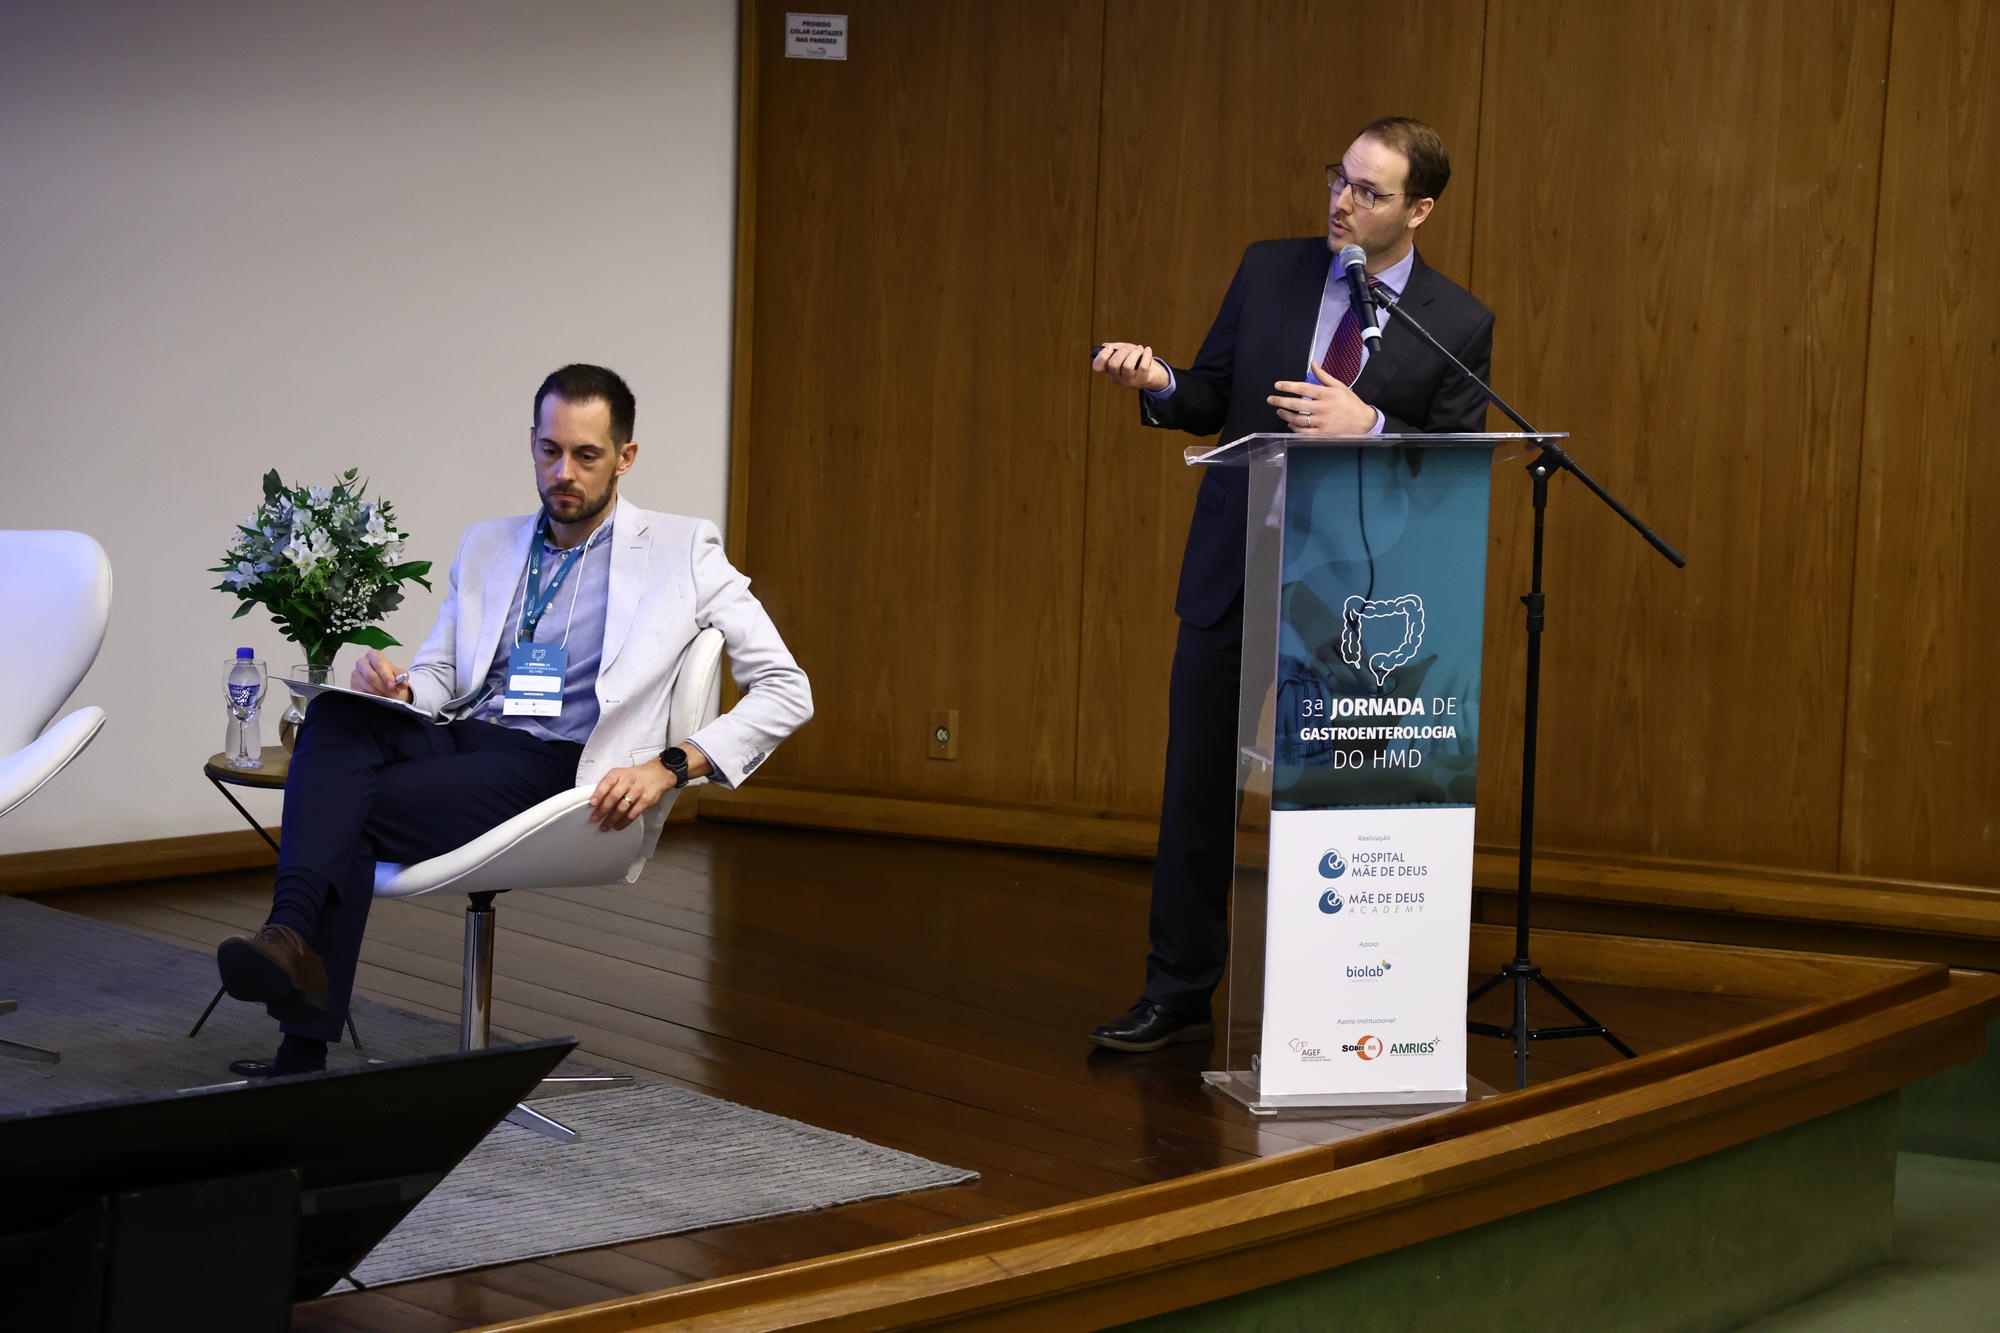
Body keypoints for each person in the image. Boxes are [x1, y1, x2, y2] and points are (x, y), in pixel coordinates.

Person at [214, 363, 813, 1075]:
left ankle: (299, 1039)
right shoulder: (487, 543)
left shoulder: (683, 549)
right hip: (461, 735)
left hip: (557, 765)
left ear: (625, 456)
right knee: (336, 716)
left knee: (350, 805)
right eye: (550, 451)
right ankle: (288, 940)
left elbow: (787, 688)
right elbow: (441, 675)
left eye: (586, 455)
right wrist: (400, 690)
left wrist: (672, 765)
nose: (564, 473)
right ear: (532, 442)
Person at [1087, 117, 1493, 1052]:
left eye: (1370, 192)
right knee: (1199, 786)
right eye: (1339, 179)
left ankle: (1337, 1009)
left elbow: (1453, 466)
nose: (1342, 203)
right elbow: (1211, 393)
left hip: (1361, 604)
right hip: (1240, 567)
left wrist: (1372, 426)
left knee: (1340, 799)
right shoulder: (1271, 269)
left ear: (1420, 210)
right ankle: (1177, 991)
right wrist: (1161, 380)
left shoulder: (1457, 321)